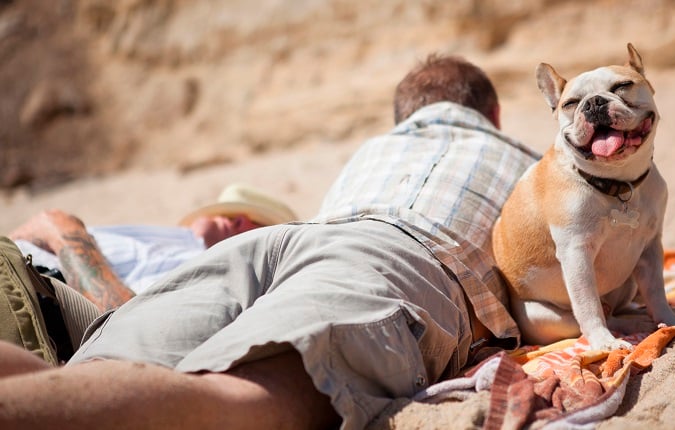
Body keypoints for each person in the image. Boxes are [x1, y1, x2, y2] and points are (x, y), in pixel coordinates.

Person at [0, 54, 540, 430]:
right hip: (397, 261)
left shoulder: (377, 150)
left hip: (286, 242)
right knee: (234, 402)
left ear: (405, 119)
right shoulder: (532, 166)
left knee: (86, 381)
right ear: (492, 114)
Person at [9, 183, 297, 311]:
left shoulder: (205, 265)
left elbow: (122, 315)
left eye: (257, 227)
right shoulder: (171, 242)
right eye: (231, 212)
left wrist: (60, 230)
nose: (237, 221)